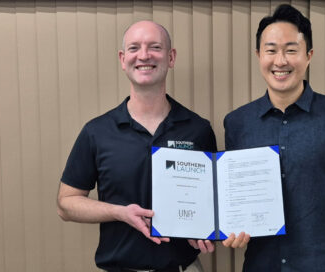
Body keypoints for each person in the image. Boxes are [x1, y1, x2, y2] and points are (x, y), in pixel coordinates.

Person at [221, 4, 325, 271]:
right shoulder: (238, 123)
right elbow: (235, 199)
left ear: (308, 56)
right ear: (258, 55)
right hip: (261, 265)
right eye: (271, 50)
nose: (281, 61)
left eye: (291, 50)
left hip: (323, 264)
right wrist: (232, 227)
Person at [57, 20, 216, 272]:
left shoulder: (198, 130)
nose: (144, 55)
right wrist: (119, 212)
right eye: (134, 48)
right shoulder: (97, 132)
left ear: (171, 57)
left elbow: (209, 202)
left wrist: (202, 230)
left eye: (155, 47)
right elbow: (66, 204)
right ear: (122, 59)